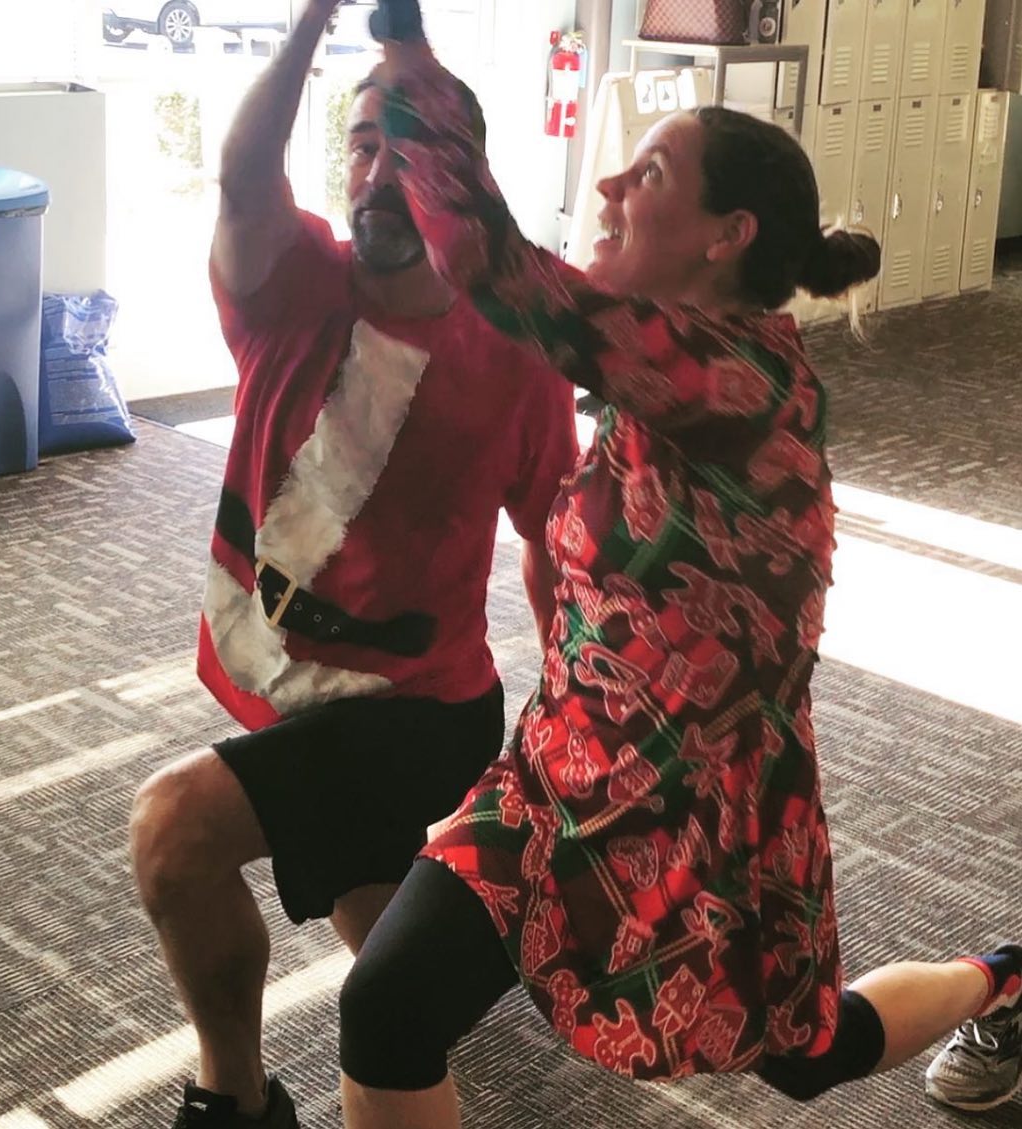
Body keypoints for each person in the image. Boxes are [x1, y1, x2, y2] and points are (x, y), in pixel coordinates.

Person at [333, 27, 1022, 1129]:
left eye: (648, 174)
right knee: (386, 1007)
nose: (609, 185)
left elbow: (495, 269)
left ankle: (1004, 979)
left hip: (699, 812)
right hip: (560, 775)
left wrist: (410, 57)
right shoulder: (657, 373)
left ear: (724, 236)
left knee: (810, 1056)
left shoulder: (736, 381)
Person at [127, 2, 580, 1125]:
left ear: (464, 182)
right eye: (363, 148)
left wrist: (570, 711)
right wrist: (311, 22)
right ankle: (481, 954)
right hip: (286, 670)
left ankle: (234, 1100)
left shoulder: (513, 348)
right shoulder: (293, 281)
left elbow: (553, 541)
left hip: (419, 709)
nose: (378, 177)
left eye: (409, 153)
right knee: (372, 922)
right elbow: (243, 177)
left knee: (174, 833)